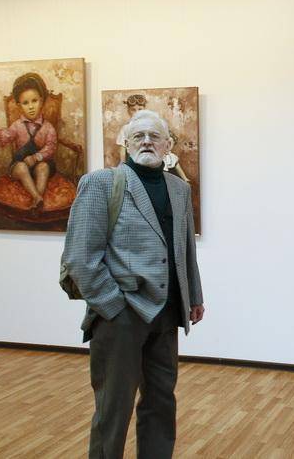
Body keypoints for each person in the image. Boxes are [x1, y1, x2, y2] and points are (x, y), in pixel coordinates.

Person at [62, 109, 204, 458]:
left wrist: (193, 296)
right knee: (113, 408)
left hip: (167, 313)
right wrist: (113, 306)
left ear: (168, 145)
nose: (146, 142)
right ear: (125, 143)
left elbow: (184, 249)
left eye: (155, 136)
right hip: (121, 316)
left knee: (161, 402)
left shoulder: (179, 188)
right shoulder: (101, 184)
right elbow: (81, 257)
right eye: (138, 135)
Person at [0, 73, 58, 210]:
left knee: (43, 167)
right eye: (25, 103)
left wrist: (36, 157)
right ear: (19, 106)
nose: (31, 107)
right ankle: (37, 197)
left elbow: (51, 147)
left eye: (34, 101)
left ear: (41, 101)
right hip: (21, 165)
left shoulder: (48, 127)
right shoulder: (17, 125)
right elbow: (7, 135)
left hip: (40, 164)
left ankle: (37, 199)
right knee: (21, 167)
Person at [116, 94, 148, 163]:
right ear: (128, 111)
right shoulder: (125, 129)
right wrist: (123, 164)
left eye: (140, 109)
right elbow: (122, 150)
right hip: (132, 161)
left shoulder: (149, 126)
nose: (137, 113)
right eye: (133, 110)